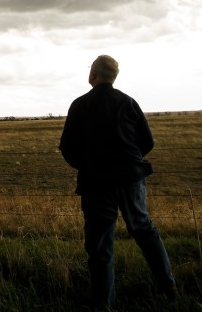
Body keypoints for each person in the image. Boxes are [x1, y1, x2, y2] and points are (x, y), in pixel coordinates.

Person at [59, 55, 176, 308]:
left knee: (100, 246)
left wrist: (89, 166)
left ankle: (104, 304)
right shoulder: (128, 102)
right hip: (131, 179)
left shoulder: (80, 105)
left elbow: (67, 147)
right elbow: (148, 142)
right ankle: (168, 287)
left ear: (94, 75)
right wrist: (129, 162)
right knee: (144, 230)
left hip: (96, 184)